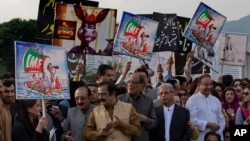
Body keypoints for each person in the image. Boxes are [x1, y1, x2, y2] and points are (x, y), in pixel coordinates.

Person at [185, 74, 225, 141]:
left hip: (216, 136)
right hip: (200, 136)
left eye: (211, 84)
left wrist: (218, 131)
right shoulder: (192, 100)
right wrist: (207, 124)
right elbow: (191, 120)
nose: (209, 87)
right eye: (206, 84)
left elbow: (221, 118)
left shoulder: (216, 100)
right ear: (199, 85)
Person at [118, 74, 157, 141]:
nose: (130, 84)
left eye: (134, 83)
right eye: (129, 82)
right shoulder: (119, 100)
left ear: (142, 86)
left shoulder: (148, 101)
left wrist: (144, 119)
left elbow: (154, 124)